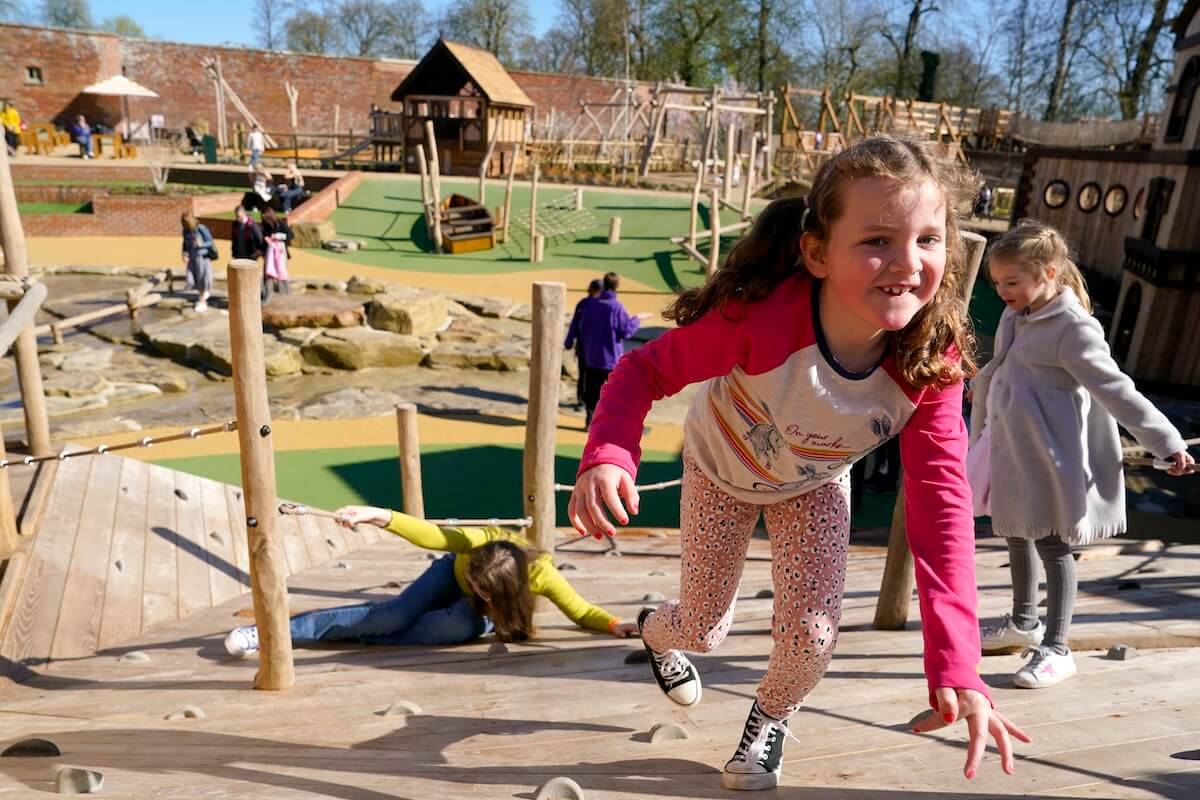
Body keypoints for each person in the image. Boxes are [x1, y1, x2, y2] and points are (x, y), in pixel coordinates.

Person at [568, 135, 1029, 790]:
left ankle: (771, 719)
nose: (906, 262)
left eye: (928, 240)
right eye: (876, 240)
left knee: (812, 639)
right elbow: (643, 370)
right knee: (703, 627)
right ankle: (654, 631)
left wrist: (957, 665)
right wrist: (610, 453)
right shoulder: (758, 321)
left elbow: (942, 506)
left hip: (811, 485)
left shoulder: (931, 362)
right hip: (720, 470)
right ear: (816, 251)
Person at [970, 221, 1194, 689]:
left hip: (1051, 456)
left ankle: (1057, 646)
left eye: (1011, 282)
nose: (1002, 291)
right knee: (1014, 531)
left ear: (1048, 273)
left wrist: (1166, 441)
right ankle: (1023, 621)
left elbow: (1116, 390)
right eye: (997, 282)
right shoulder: (1020, 313)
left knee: (1053, 545)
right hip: (1014, 446)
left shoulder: (1073, 329)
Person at [224, 506, 639, 656]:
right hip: (445, 575)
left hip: (487, 617)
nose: (475, 589)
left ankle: (363, 636)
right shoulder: (476, 543)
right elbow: (427, 533)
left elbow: (580, 609)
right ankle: (269, 633)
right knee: (393, 613)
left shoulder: (540, 574)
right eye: (475, 581)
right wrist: (375, 514)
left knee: (452, 626)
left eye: (482, 590)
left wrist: (611, 624)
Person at [564, 271, 648, 428]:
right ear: (616, 287)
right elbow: (626, 331)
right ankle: (616, 424)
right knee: (616, 392)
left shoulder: (589, 305)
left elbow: (578, 326)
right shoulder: (616, 307)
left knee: (592, 390)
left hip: (591, 357)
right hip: (610, 359)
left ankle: (590, 420)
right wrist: (637, 319)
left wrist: (570, 343)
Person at [565, 278, 604, 411]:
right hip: (585, 348)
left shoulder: (599, 305)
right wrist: (569, 341)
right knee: (584, 376)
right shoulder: (583, 304)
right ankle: (582, 400)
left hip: (594, 349)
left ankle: (589, 402)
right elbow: (575, 324)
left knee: (593, 378)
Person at [180, 212, 214, 312]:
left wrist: (201, 244)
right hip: (192, 257)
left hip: (201, 257)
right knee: (191, 279)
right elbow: (185, 244)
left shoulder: (201, 228)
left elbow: (210, 241)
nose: (186, 225)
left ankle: (203, 300)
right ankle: (202, 296)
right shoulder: (185, 231)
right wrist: (184, 254)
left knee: (202, 278)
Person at [261, 207, 292, 301]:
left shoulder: (281, 224)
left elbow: (290, 235)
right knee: (268, 275)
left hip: (281, 254)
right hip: (269, 254)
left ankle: (285, 297)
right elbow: (263, 237)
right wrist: (266, 239)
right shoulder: (265, 226)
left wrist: (277, 237)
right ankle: (266, 297)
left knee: (281, 274)